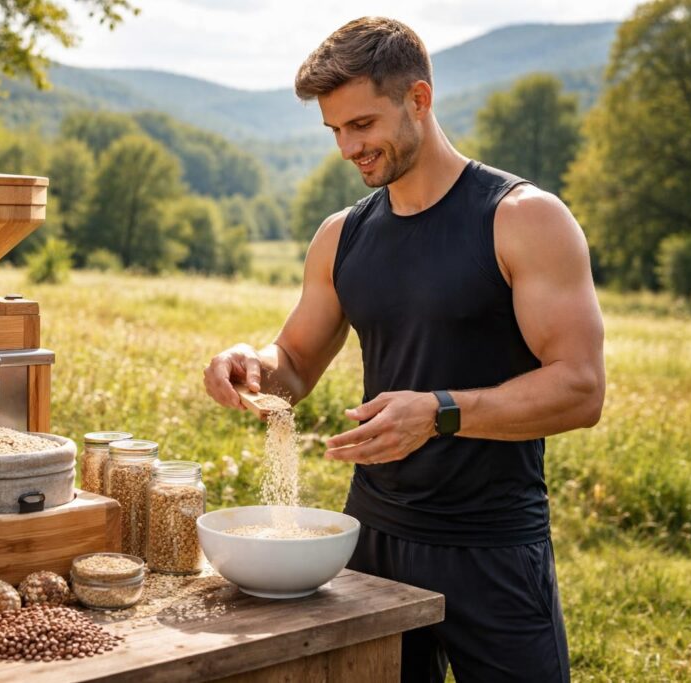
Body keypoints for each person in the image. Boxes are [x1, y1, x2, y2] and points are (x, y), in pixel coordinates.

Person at [202, 16, 605, 683]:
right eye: (335, 131)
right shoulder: (343, 236)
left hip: (493, 547)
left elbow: (581, 388)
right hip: (371, 544)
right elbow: (294, 363)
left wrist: (440, 411)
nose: (347, 148)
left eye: (361, 125)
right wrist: (251, 363)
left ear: (418, 99)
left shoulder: (524, 218)